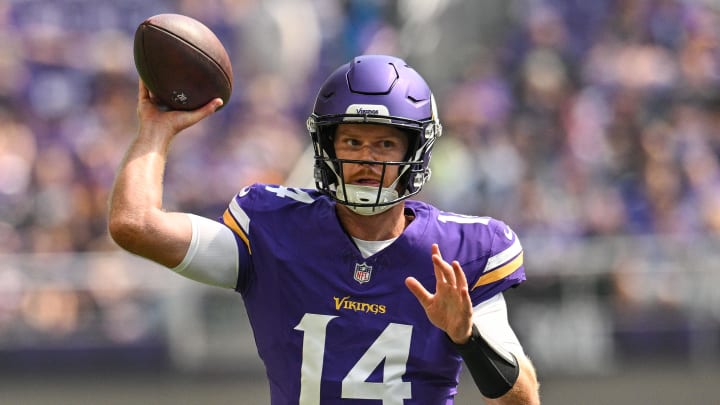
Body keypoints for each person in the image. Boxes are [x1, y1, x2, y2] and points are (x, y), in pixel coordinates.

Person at [109, 54, 540, 404]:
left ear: (416, 151)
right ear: (326, 147)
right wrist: (156, 130)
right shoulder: (274, 228)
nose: (367, 158)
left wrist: (468, 338)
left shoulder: (461, 251)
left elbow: (523, 401)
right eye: (352, 142)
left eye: (385, 143)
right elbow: (135, 225)